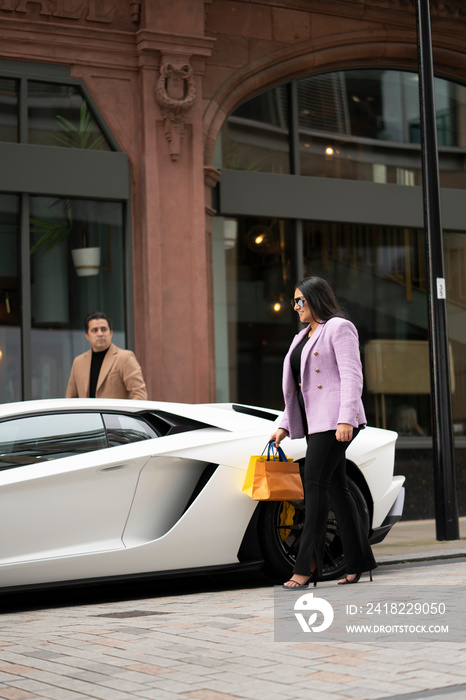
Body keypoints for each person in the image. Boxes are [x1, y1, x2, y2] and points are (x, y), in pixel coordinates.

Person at [270, 276, 376, 588]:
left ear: (317, 299)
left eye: (300, 300)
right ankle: (358, 562)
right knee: (337, 491)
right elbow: (297, 391)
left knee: (313, 484)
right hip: (316, 421)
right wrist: (284, 424)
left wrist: (347, 419)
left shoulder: (339, 327)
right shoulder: (301, 336)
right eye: (294, 301)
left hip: (336, 421)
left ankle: (306, 566)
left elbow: (352, 375)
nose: (296, 307)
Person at [66, 311, 148, 400]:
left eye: (104, 329)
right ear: (87, 335)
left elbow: (139, 395)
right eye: (94, 330)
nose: (100, 334)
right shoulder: (78, 362)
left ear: (111, 333)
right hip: (87, 414)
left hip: (116, 414)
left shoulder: (125, 358)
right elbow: (71, 399)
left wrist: (122, 414)